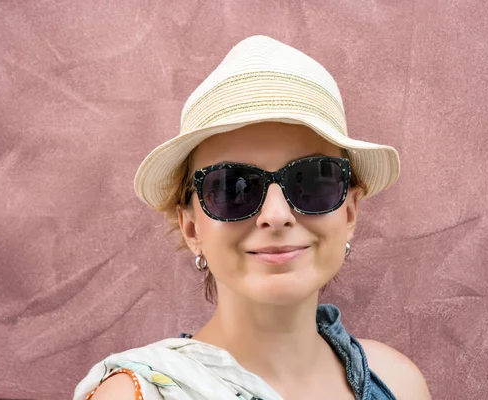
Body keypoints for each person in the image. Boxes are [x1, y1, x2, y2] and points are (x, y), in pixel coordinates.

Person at [74, 35, 431, 400]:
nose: (276, 217)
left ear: (350, 211)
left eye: (312, 178)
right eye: (233, 187)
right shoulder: (135, 395)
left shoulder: (398, 384)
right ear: (192, 227)